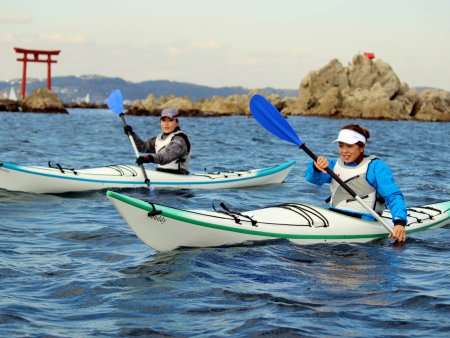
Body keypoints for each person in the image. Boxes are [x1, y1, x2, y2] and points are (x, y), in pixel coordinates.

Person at [305, 124, 407, 243]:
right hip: (334, 217)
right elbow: (313, 179)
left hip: (364, 222)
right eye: (341, 145)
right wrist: (316, 167)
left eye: (349, 146)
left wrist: (399, 222)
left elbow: (393, 195)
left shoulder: (375, 167)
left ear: (362, 147)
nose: (344, 151)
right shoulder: (332, 165)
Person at [124, 108, 191, 175]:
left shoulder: (179, 140)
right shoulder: (159, 138)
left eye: (170, 120)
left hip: (178, 175)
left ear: (177, 123)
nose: (166, 124)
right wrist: (131, 134)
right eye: (163, 120)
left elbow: (165, 157)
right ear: (160, 122)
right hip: (162, 173)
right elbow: (142, 147)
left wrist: (148, 158)